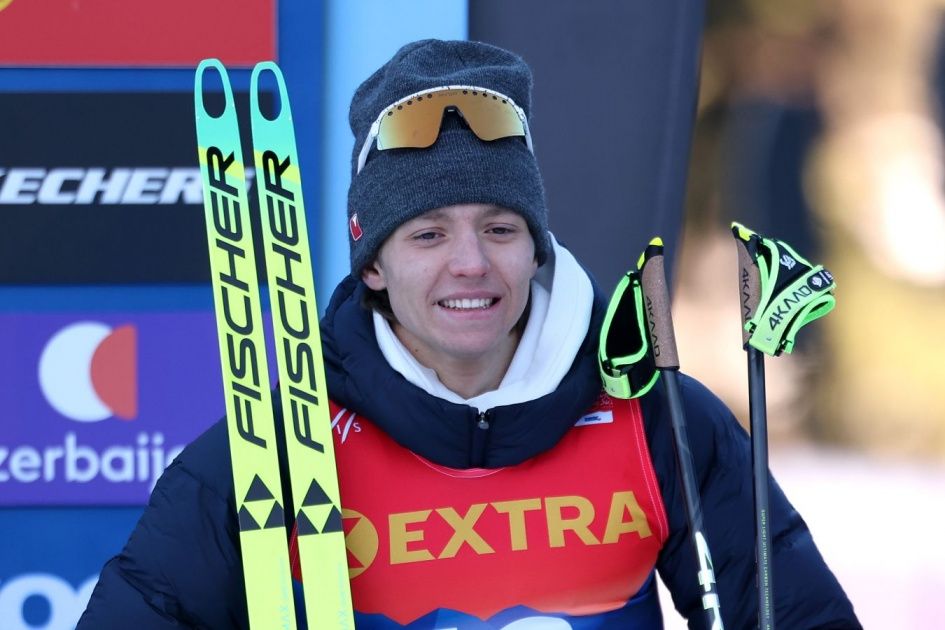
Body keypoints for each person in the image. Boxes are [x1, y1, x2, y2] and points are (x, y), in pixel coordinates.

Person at [78, 39, 860, 629]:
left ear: (536, 249)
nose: (471, 264)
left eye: (499, 228)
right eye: (427, 235)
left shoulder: (655, 419)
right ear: (373, 264)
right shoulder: (276, 450)